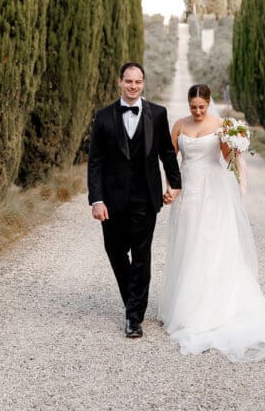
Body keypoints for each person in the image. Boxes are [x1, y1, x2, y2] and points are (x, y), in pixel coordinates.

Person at [158, 83, 265, 362]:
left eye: (201, 107)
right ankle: (185, 305)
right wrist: (171, 187)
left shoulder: (222, 125)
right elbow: (171, 158)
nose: (197, 111)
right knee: (188, 243)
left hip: (213, 191)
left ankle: (213, 306)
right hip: (189, 191)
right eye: (193, 107)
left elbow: (224, 157)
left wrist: (236, 145)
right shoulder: (179, 125)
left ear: (209, 103)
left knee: (212, 245)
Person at [87, 61, 182, 338]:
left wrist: (175, 184)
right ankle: (134, 298)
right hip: (112, 200)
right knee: (115, 252)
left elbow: (166, 151)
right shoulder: (103, 116)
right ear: (120, 82)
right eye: (128, 81)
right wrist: (97, 200)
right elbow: (95, 162)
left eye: (138, 82)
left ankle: (133, 316)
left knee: (141, 256)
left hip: (145, 198)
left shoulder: (158, 114)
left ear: (143, 83)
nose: (133, 86)